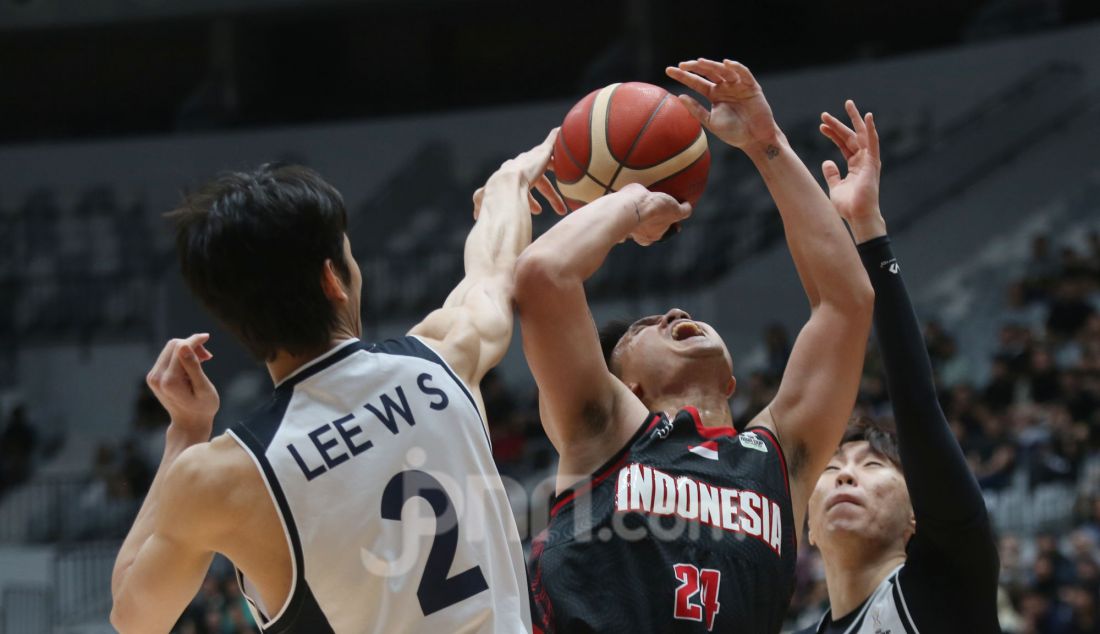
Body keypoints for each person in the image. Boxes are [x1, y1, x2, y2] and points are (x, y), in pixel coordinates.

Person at [110, 130, 566, 633]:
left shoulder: (222, 476)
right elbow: (493, 269)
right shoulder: (443, 358)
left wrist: (186, 431)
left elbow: (134, 619)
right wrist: (511, 182)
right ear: (333, 278)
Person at [517, 58, 873, 633]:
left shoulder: (777, 460)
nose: (676, 313)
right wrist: (632, 205)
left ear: (732, 383)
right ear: (623, 384)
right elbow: (543, 276)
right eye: (644, 327)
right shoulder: (605, 430)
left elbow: (847, 303)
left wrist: (766, 143)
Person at [801, 101, 1000, 633]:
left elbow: (915, 405)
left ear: (917, 518)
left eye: (872, 466)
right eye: (833, 468)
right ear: (808, 531)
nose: (845, 473)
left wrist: (867, 227)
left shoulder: (946, 581)